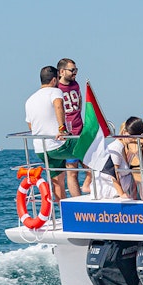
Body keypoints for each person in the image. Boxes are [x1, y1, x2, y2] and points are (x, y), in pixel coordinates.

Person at [24, 65, 71, 200]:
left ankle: (62, 212)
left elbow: (31, 125)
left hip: (40, 148)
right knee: (88, 149)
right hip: (57, 146)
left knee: (57, 182)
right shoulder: (55, 92)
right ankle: (89, 185)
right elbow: (58, 105)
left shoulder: (30, 100)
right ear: (54, 80)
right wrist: (62, 128)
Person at [56, 58, 87, 196]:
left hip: (80, 131)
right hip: (68, 134)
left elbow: (79, 103)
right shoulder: (56, 88)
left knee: (90, 166)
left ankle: (89, 190)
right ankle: (78, 202)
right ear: (62, 71)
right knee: (72, 171)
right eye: (72, 70)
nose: (75, 73)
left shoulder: (75, 84)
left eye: (76, 70)